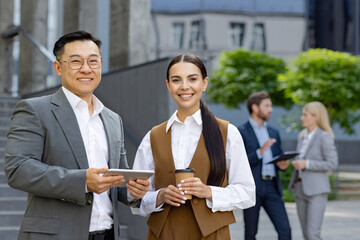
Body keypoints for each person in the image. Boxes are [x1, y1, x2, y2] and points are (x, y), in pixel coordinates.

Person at [5, 31, 149, 240]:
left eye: (93, 61)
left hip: (108, 234)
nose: (86, 69)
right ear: (58, 68)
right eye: (75, 62)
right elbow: (18, 169)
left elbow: (117, 178)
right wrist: (82, 182)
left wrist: (133, 189)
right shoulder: (35, 110)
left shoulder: (112, 119)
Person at [130, 54, 255, 239]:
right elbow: (136, 199)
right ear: (168, 86)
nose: (184, 86)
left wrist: (208, 191)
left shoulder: (227, 133)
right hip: (165, 233)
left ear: (204, 83)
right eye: (176, 80)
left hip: (212, 234)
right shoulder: (153, 137)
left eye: (192, 79)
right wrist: (160, 196)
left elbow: (247, 193)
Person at [238, 91, 292, 240]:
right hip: (252, 188)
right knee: (250, 233)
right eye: (267, 105)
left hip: (272, 187)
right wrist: (260, 152)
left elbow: (278, 155)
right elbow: (238, 163)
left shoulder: (273, 132)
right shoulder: (241, 131)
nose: (271, 109)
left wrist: (283, 164)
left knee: (285, 231)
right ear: (255, 108)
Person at [288, 101, 338, 240]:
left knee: (312, 234)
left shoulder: (324, 137)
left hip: (317, 192)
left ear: (316, 117)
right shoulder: (302, 136)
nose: (301, 118)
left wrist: (307, 164)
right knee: (306, 234)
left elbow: (332, 164)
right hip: (300, 190)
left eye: (305, 115)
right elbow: (301, 160)